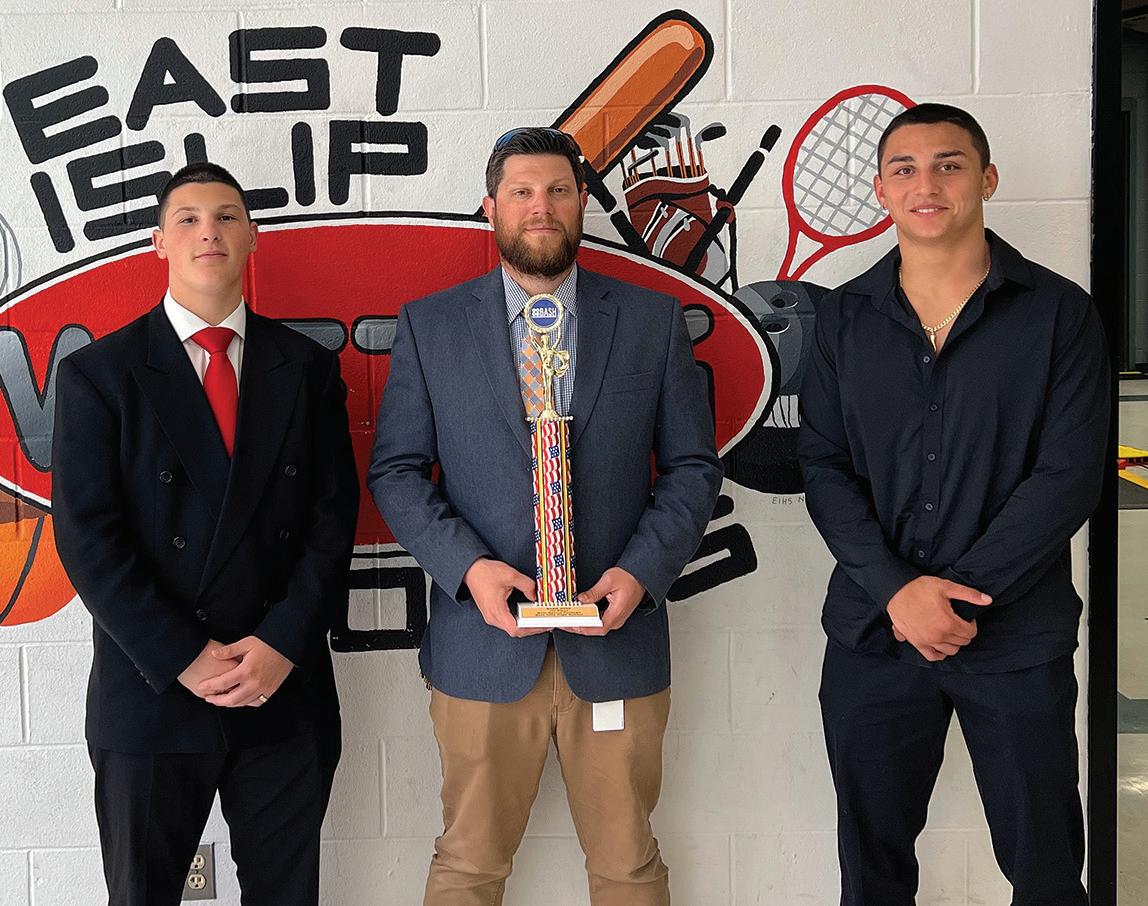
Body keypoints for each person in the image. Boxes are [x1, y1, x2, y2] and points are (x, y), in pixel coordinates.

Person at [368, 127, 722, 905]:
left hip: (616, 641)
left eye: (558, 190)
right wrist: (469, 570)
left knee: (629, 866)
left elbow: (693, 468)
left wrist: (641, 573)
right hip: (483, 647)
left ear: (582, 201)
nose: (541, 206)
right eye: (522, 191)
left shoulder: (651, 321)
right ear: (490, 207)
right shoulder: (431, 326)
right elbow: (396, 472)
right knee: (468, 865)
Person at [798, 102, 1109, 905]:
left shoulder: (1059, 313)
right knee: (872, 873)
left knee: (1045, 870)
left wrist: (955, 597)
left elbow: (1070, 474)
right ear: (880, 190)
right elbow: (824, 468)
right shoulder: (841, 319)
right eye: (904, 169)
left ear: (987, 178)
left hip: (1016, 636)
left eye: (949, 165)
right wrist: (899, 592)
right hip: (875, 634)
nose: (926, 185)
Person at [52, 162, 359, 906]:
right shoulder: (100, 373)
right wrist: (182, 657)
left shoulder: (307, 370)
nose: (208, 231)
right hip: (152, 689)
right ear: (158, 242)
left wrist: (282, 643)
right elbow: (88, 540)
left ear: (253, 237)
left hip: (281, 687)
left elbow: (331, 523)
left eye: (226, 216)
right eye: (187, 219)